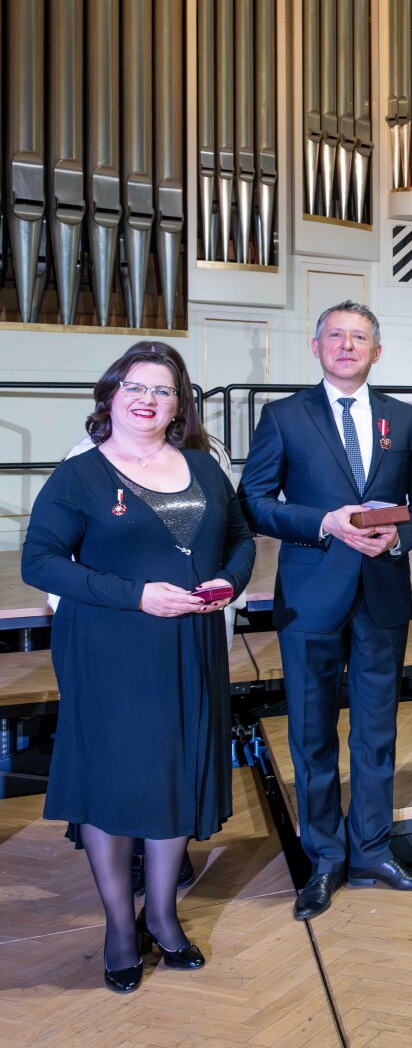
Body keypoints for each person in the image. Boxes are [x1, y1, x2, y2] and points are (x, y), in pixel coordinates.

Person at [22, 343, 254, 992]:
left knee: (175, 770)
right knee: (114, 778)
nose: (148, 399)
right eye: (136, 387)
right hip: (109, 646)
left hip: (190, 642)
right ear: (111, 394)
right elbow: (39, 561)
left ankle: (162, 915)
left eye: (163, 390)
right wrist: (136, 595)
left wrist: (229, 582)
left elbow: (239, 538)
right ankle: (120, 929)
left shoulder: (203, 467)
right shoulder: (80, 474)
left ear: (179, 405)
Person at [239, 300, 412, 921]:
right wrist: (322, 522)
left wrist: (399, 538)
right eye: (336, 335)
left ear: (376, 351)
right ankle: (325, 858)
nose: (347, 345)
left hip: (382, 593)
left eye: (359, 337)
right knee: (311, 735)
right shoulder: (284, 416)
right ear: (317, 346)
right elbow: (254, 501)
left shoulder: (406, 420)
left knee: (377, 733)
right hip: (311, 595)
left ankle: (373, 851)